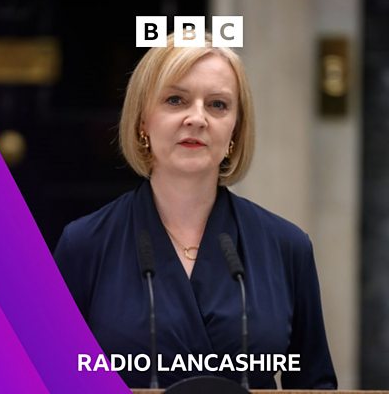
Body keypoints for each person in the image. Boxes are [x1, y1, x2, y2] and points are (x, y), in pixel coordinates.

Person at [54, 31, 337, 389]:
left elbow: (315, 386)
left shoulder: (287, 247)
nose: (197, 118)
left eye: (218, 105)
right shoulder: (84, 244)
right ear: (142, 122)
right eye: (176, 100)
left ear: (235, 131)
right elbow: (48, 378)